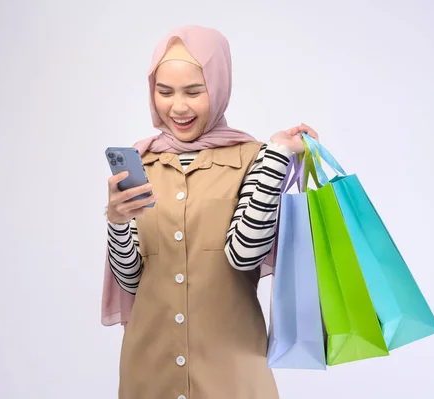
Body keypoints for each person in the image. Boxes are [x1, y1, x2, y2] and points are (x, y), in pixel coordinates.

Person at [102, 25, 319, 399]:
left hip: (232, 375)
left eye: (194, 91)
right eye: (165, 91)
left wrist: (277, 158)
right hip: (149, 373)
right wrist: (117, 223)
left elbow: (244, 254)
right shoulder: (140, 163)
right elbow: (133, 281)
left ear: (218, 88)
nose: (178, 106)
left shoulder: (252, 158)